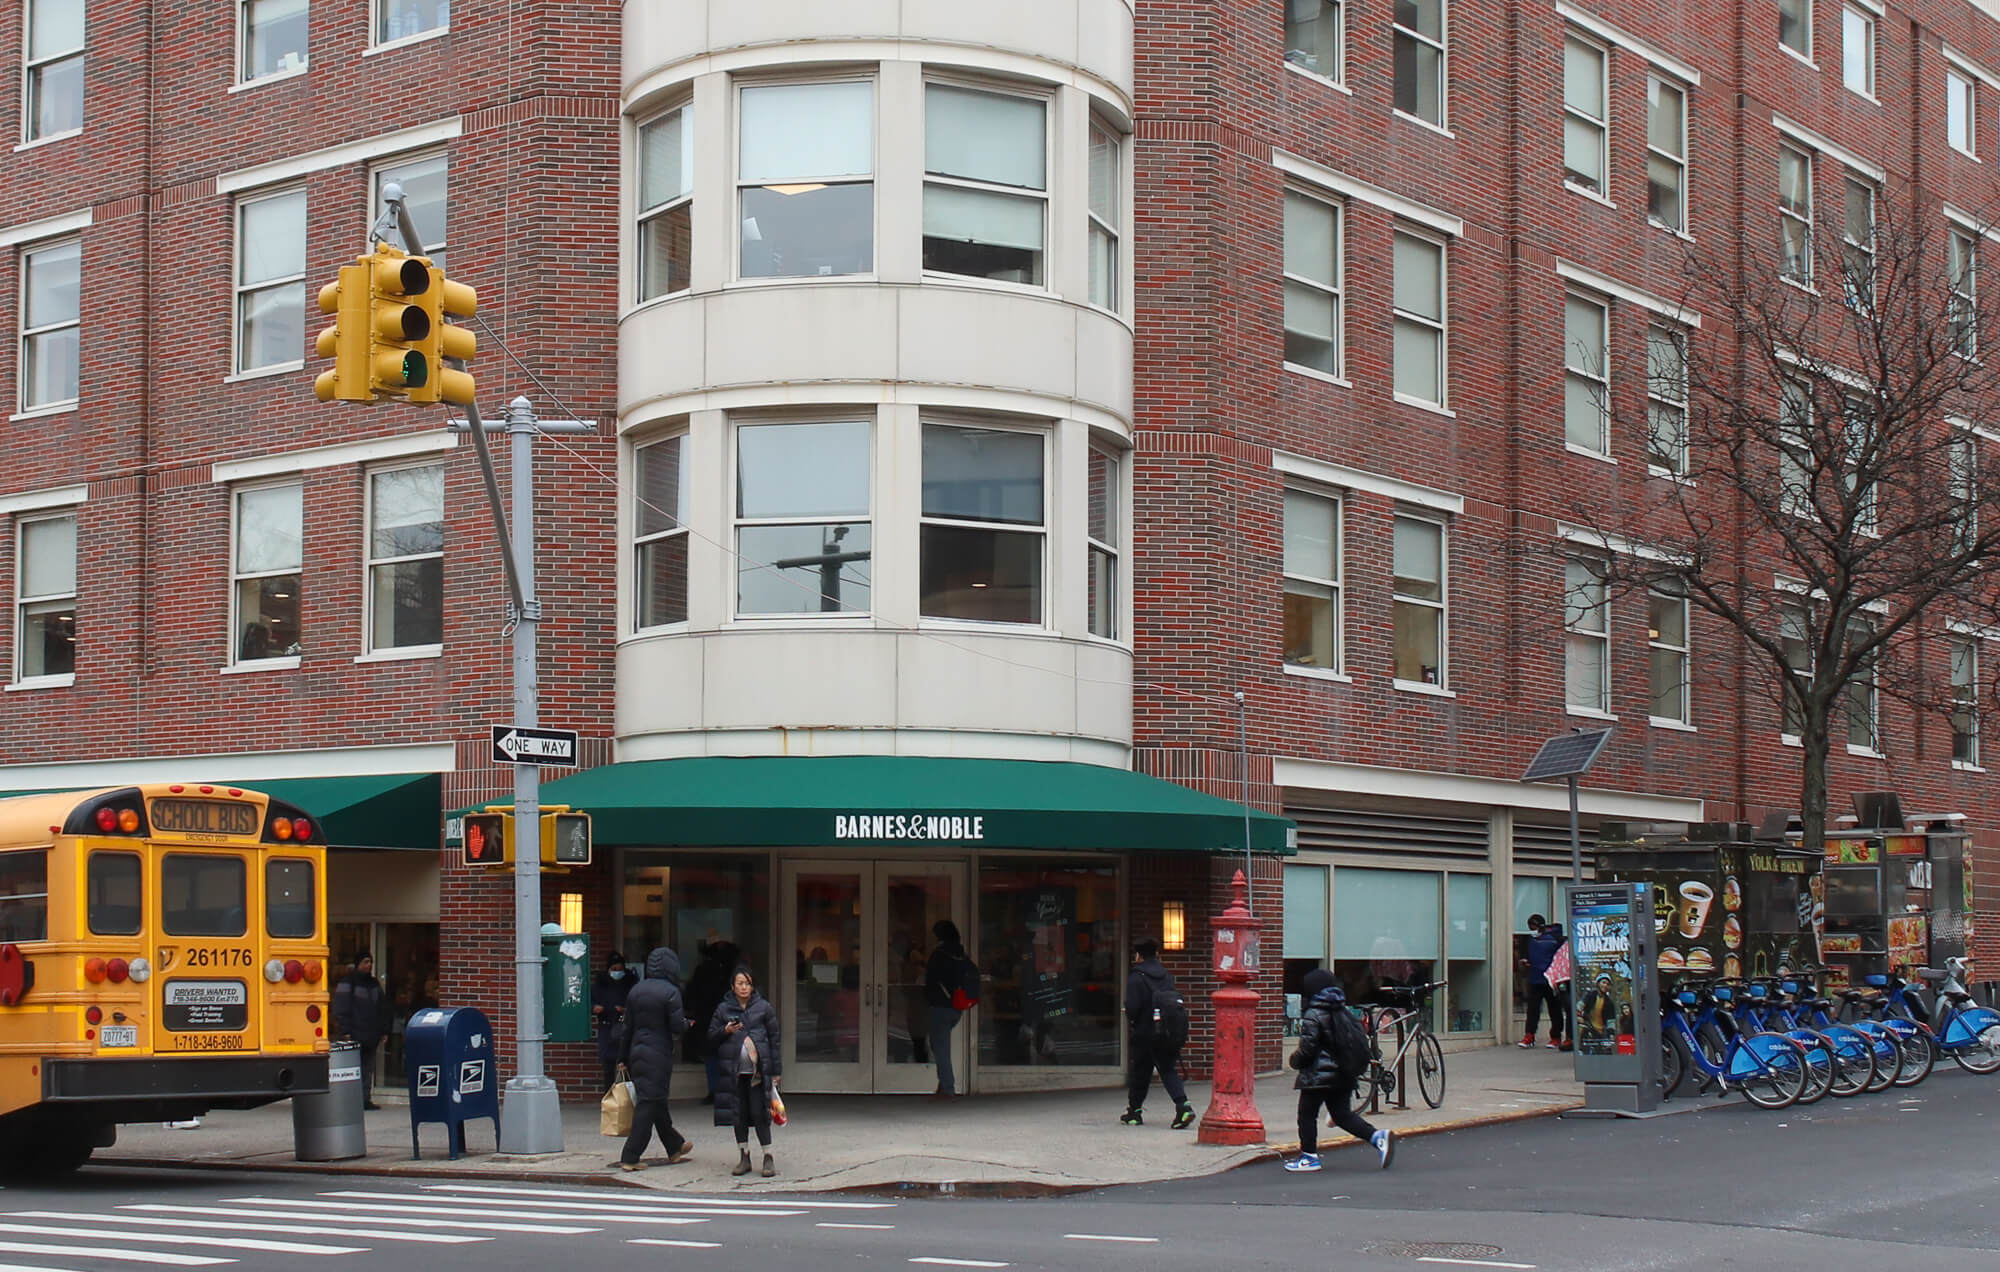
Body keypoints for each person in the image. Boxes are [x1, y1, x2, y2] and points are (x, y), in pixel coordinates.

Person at [1284, 969, 1393, 1172]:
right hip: (1343, 1074)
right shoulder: (1343, 1010)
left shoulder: (1313, 1013)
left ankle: (1309, 1157)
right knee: (1342, 1115)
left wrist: (1294, 1061)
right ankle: (1377, 1137)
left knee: (1306, 1115)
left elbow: (1307, 1049)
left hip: (1319, 1076)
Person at [614, 947, 693, 1172]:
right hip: (658, 1054)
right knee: (648, 1104)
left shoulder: (636, 991)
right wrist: (689, 1024)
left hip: (636, 1053)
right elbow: (677, 1026)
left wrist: (622, 1058)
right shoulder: (671, 992)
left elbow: (626, 1028)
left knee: (656, 1100)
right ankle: (630, 1155)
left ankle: (675, 1146)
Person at [709, 965, 782, 1177]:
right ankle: (744, 1156)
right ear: (733, 986)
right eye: (740, 983)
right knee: (738, 1115)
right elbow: (711, 1037)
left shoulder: (764, 1008)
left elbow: (774, 1040)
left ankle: (768, 1157)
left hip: (757, 1073)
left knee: (760, 1113)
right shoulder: (723, 1009)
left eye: (748, 984)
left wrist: (776, 1070)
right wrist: (725, 1030)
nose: (744, 987)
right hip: (733, 1073)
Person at [1121, 938, 1195, 1129]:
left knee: (1140, 1072)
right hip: (1166, 1032)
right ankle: (1183, 1106)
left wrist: (1128, 1012)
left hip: (1144, 1033)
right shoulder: (1166, 976)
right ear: (1156, 955)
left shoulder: (1136, 977)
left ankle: (1134, 1113)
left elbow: (1134, 1007)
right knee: (1168, 1069)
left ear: (1139, 956)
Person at [331, 952, 390, 1109]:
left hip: (372, 1034)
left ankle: (365, 1099)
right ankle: (352, 1100)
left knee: (367, 1068)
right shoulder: (348, 982)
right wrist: (346, 1030)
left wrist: (384, 1030)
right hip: (355, 1033)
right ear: (358, 964)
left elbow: (382, 1008)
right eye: (365, 962)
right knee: (353, 1069)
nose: (368, 965)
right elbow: (341, 1008)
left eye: (370, 961)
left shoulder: (374, 984)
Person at [685, 940, 737, 1103]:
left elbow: (692, 992)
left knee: (713, 1056)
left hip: (708, 1017)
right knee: (724, 1055)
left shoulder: (705, 969)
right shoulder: (731, 970)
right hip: (720, 1017)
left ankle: (715, 1090)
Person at [922, 919, 969, 1099]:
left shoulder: (939, 954)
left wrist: (929, 997)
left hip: (940, 1006)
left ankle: (948, 1088)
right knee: (939, 1045)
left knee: (940, 1048)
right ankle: (943, 1085)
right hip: (956, 1006)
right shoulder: (961, 953)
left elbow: (931, 979)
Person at [1520, 914, 1569, 1050]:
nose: (1531, 929)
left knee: (1554, 1009)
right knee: (1532, 1009)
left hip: (1550, 980)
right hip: (1534, 979)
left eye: (1533, 926)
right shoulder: (1528, 940)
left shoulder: (1556, 939)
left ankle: (1556, 1037)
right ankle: (1529, 1035)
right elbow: (1524, 955)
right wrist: (1524, 961)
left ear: (1540, 926)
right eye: (1530, 927)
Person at [591, 951, 633, 1092]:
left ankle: (626, 1097)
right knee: (608, 1066)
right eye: (614, 969)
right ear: (608, 969)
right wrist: (595, 1008)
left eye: (620, 969)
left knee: (626, 1064)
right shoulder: (600, 984)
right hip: (607, 1028)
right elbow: (590, 1002)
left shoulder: (630, 983)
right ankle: (609, 1097)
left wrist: (625, 1010)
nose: (617, 972)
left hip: (625, 1027)